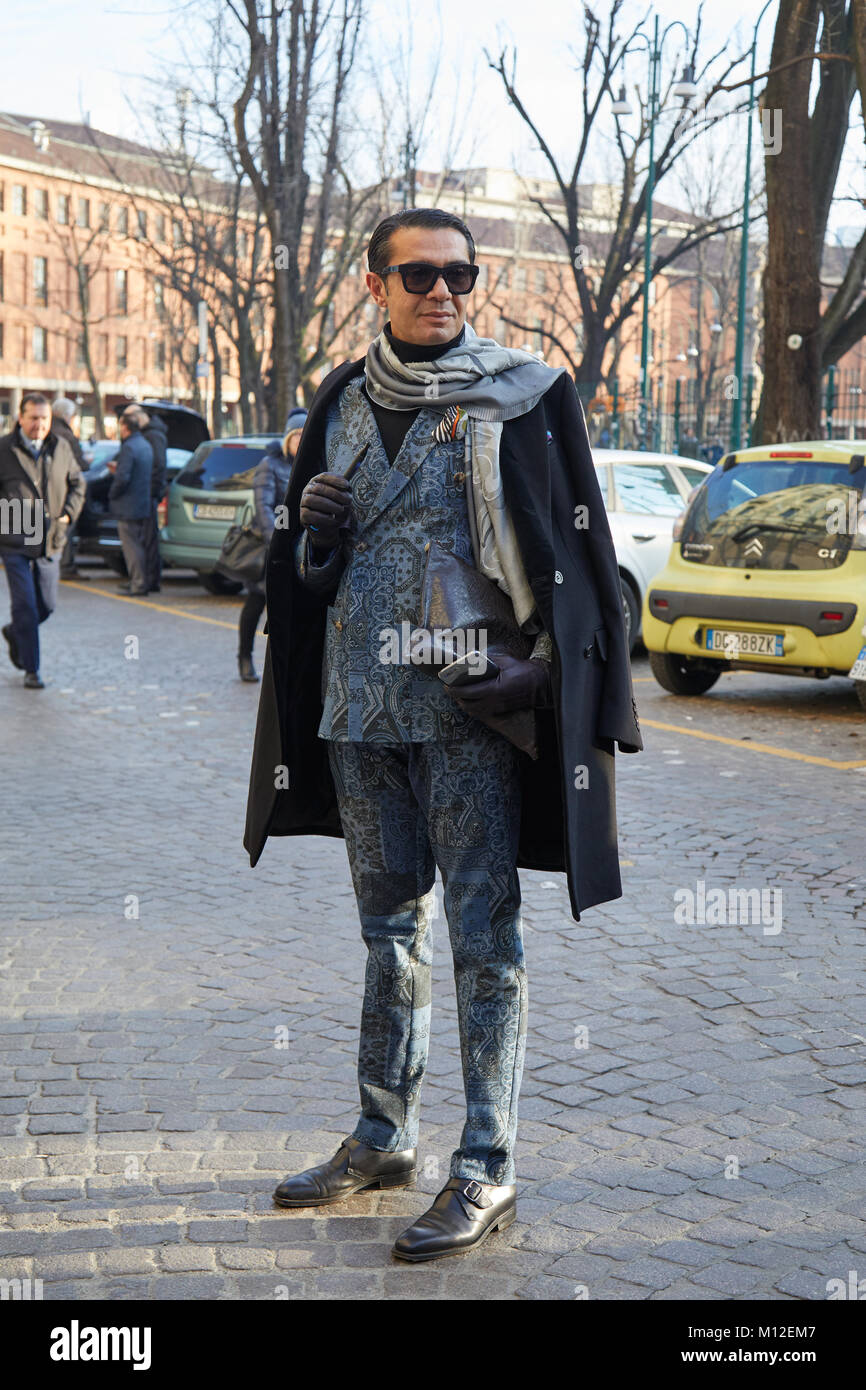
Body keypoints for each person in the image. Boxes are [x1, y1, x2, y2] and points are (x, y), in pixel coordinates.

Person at [244, 208, 642, 1263]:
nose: (441, 290)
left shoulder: (525, 396)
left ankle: (486, 1165)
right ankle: (382, 1138)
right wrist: (315, 539)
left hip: (468, 715)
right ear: (374, 286)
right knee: (386, 933)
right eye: (417, 273)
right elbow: (304, 575)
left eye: (459, 273)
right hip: (352, 713)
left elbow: (577, 552)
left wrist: (573, 687)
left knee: (484, 941)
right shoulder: (335, 400)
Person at [0, 392, 85, 688]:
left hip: (50, 540)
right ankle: (31, 669)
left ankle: (16, 632)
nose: (39, 424)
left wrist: (67, 516)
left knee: (45, 606)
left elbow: (78, 484)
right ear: (20, 419)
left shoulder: (60, 447)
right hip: (15, 542)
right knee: (25, 605)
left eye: (44, 418)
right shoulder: (4, 450)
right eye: (33, 418)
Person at [237, 418, 306, 682]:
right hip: (272, 547)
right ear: (287, 438)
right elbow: (263, 506)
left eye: (304, 434)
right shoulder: (270, 465)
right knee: (256, 602)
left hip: (299, 548)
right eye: (295, 435)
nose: (300, 439)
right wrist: (275, 542)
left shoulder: (311, 463)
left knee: (287, 609)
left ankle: (282, 665)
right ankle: (244, 657)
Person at [122, 405, 168, 593]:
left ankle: (149, 580)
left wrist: (151, 492)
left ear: (138, 417)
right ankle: (145, 579)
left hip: (148, 494)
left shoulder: (153, 436)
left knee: (148, 539)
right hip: (145, 493)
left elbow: (158, 466)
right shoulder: (150, 434)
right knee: (145, 538)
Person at [108, 413, 152, 596]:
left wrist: (112, 493)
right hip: (141, 503)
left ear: (125, 428)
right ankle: (138, 580)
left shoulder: (128, 448)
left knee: (131, 547)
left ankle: (138, 583)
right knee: (138, 544)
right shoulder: (145, 445)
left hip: (128, 504)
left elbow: (123, 477)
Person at [51, 398, 90, 581]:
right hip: (64, 493)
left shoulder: (49, 432)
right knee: (65, 531)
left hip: (50, 493)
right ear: (67, 416)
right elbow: (79, 468)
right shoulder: (66, 436)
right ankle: (65, 566)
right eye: (74, 415)